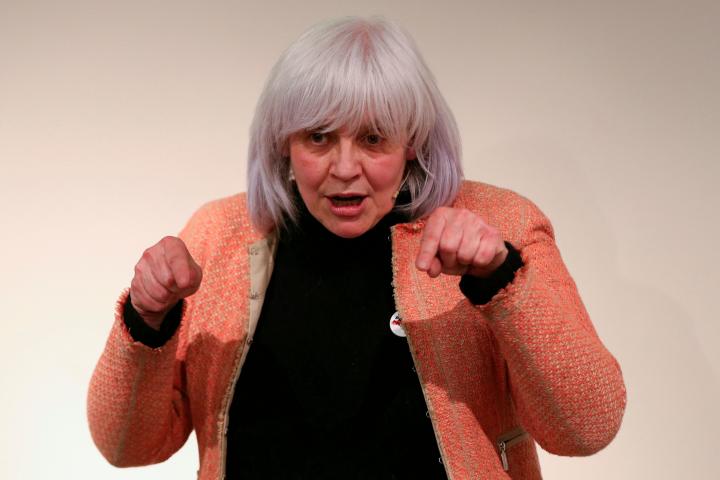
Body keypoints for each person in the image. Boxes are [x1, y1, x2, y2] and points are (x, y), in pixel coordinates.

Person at [87, 16, 626, 479]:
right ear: (283, 142)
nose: (345, 169)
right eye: (318, 137)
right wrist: (146, 317)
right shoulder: (219, 235)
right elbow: (126, 446)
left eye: (373, 138)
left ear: (412, 140)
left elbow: (588, 427)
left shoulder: (499, 225)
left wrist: (499, 278)